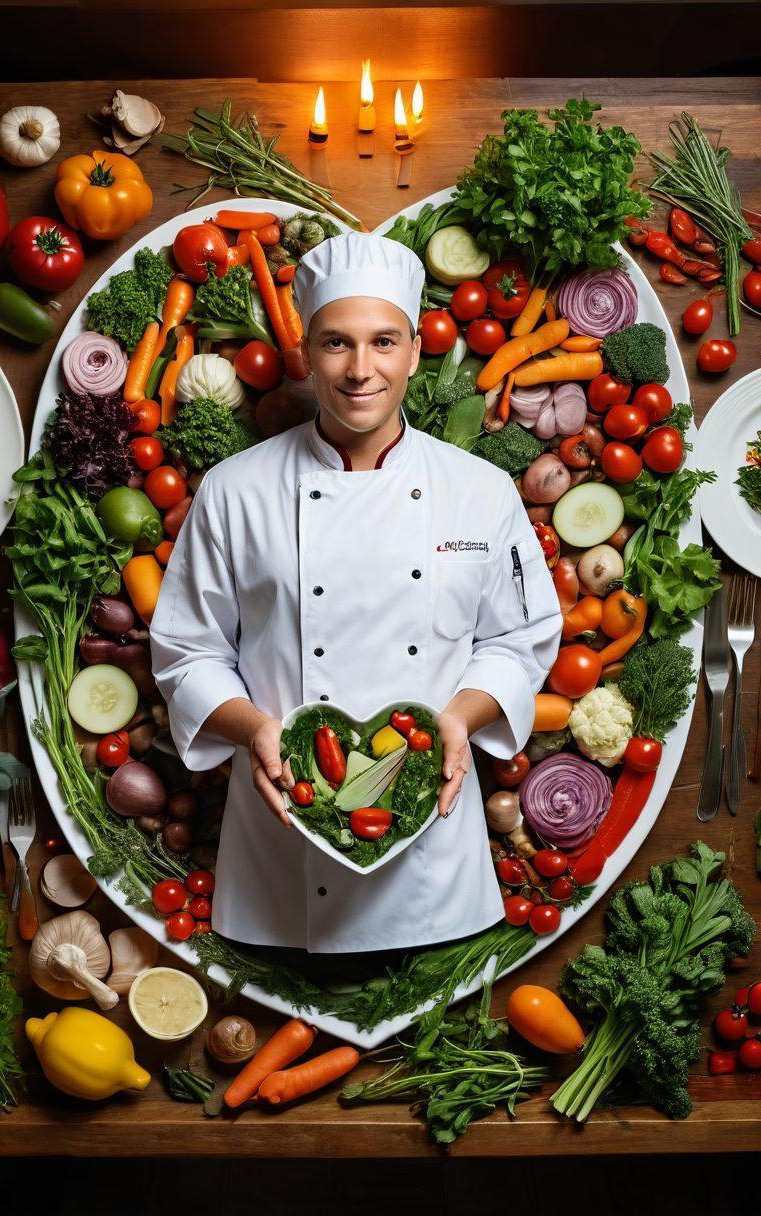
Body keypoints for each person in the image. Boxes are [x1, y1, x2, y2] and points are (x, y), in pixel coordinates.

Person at [149, 230, 562, 956]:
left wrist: (459, 719)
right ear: (306, 354)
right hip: (283, 844)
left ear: (415, 351)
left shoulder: (480, 491)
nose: (360, 369)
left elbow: (519, 640)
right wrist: (254, 730)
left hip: (435, 853)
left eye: (384, 342)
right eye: (336, 343)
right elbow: (188, 651)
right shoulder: (234, 491)